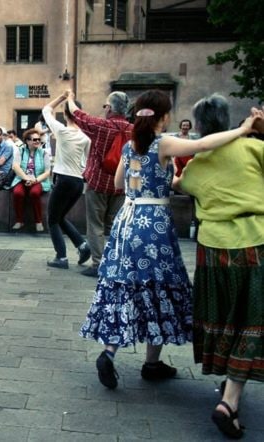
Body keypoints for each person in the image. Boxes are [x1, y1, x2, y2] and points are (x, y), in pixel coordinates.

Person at [80, 89, 258, 393]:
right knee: (158, 288)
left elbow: (119, 182)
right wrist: (243, 130)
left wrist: (153, 180)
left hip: (127, 222)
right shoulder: (162, 143)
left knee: (124, 285)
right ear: (163, 116)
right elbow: (202, 144)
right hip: (154, 225)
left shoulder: (131, 145)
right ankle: (152, 363)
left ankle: (109, 352)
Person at [178, 95, 264, 439]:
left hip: (212, 249)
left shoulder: (197, 163)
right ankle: (229, 401)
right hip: (254, 241)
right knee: (253, 320)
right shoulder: (254, 150)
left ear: (199, 126)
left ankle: (231, 388)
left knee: (226, 318)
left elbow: (181, 185)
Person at [67, 91, 130, 277]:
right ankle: (117, 263)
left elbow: (78, 114)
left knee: (95, 225)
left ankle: (98, 264)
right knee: (117, 226)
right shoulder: (134, 130)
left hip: (98, 184)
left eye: (105, 106)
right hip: (121, 186)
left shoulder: (101, 126)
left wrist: (69, 98)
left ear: (109, 108)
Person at [42, 92, 91, 268]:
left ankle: (61, 257)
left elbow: (46, 109)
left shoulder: (61, 131)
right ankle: (83, 246)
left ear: (65, 114)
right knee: (60, 217)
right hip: (78, 182)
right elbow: (88, 160)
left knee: (52, 219)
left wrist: (63, 96)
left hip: (63, 179)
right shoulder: (86, 137)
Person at [9, 128, 51, 232]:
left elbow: (47, 172)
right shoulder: (21, 151)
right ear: (27, 141)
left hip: (38, 180)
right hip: (22, 179)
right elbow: (15, 166)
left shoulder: (44, 153)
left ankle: (38, 221)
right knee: (17, 193)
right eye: (35, 139)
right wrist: (26, 178)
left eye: (39, 139)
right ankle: (19, 220)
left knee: (34, 193)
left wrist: (35, 180)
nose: (37, 141)